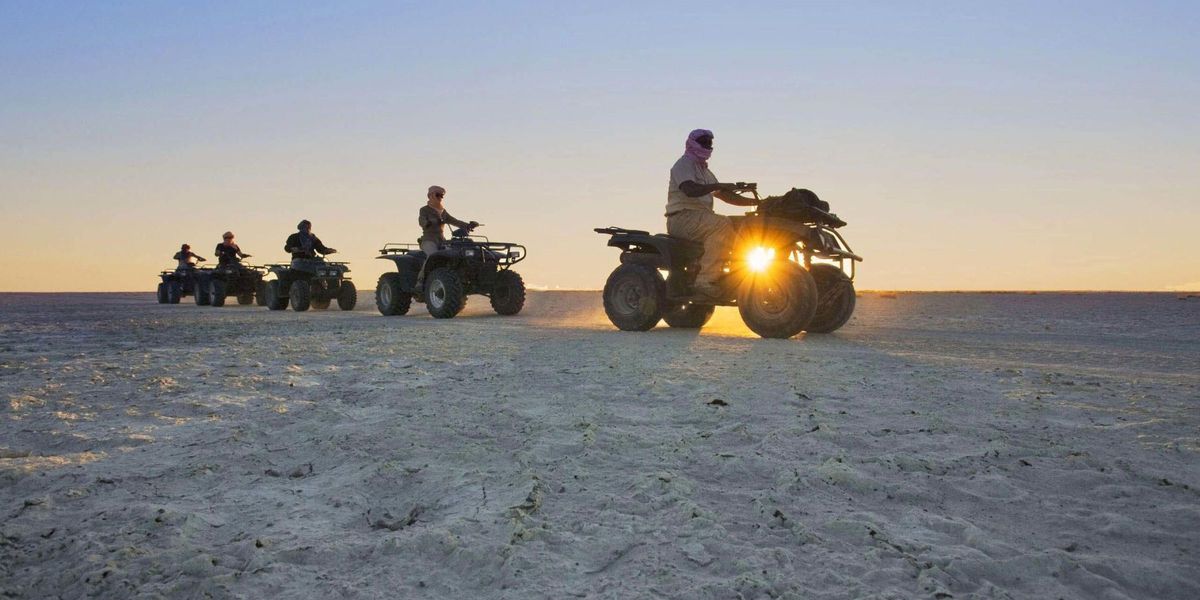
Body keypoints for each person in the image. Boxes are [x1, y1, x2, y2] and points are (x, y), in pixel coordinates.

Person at [664, 129, 756, 297]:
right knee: (721, 224)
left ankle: (737, 276)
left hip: (701, 219)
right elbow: (690, 189)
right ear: (692, 143)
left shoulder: (705, 172)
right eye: (704, 142)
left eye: (709, 143)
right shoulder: (683, 165)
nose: (707, 146)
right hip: (682, 218)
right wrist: (718, 186)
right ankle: (705, 281)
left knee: (744, 225)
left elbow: (726, 196)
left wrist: (757, 203)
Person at [415, 186, 477, 290]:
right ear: (430, 196)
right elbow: (421, 220)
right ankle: (420, 281)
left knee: (455, 255)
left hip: (442, 240)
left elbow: (454, 221)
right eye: (437, 195)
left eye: (442, 196)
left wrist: (468, 226)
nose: (440, 197)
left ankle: (456, 280)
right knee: (432, 255)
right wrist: (428, 222)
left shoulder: (442, 211)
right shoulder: (424, 210)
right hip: (429, 240)